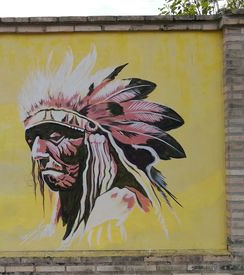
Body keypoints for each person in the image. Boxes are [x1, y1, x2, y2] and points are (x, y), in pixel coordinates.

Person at [19, 48, 186, 246]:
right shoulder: (73, 211)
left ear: (97, 142)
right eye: (32, 141)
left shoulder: (119, 209)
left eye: (55, 136)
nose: (37, 153)